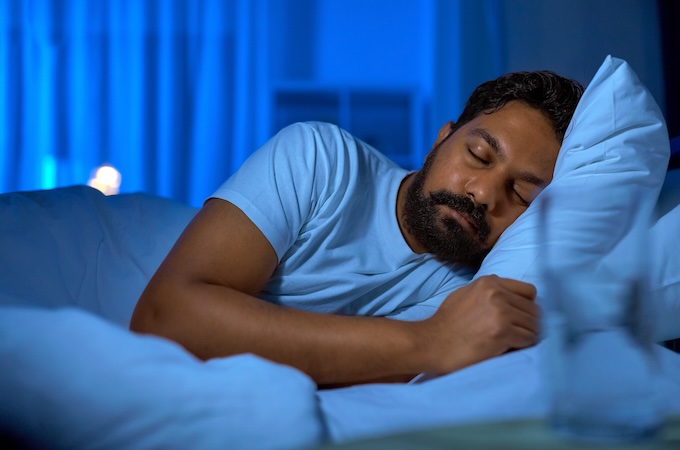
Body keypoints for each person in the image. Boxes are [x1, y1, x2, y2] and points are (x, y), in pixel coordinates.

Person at [130, 71, 584, 386]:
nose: (485, 194)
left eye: (522, 195)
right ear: (442, 138)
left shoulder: (476, 289)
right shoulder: (321, 159)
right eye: (479, 156)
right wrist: (431, 341)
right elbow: (163, 318)